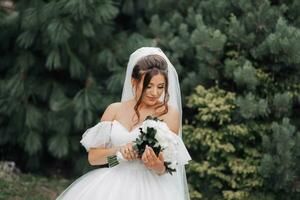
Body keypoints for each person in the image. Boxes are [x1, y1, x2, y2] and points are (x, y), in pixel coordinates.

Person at [56, 47, 191, 200]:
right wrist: (120, 153)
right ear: (134, 81)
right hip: (113, 185)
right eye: (148, 86)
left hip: (152, 189)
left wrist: (154, 164)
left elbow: (166, 168)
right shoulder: (114, 110)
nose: (155, 92)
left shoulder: (168, 113)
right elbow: (94, 159)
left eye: (160, 87)